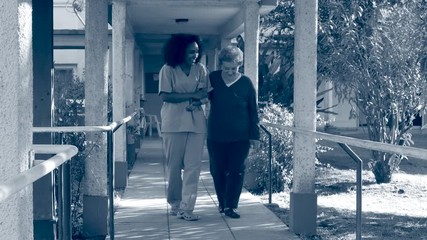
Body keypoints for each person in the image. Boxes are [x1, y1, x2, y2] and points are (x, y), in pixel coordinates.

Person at [158, 34, 209, 221]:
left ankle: (187, 208)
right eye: (190, 51)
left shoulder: (201, 69)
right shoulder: (168, 69)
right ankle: (175, 203)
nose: (194, 55)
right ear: (180, 51)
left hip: (197, 123)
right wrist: (193, 95)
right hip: (173, 123)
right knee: (173, 167)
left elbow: (205, 94)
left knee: (193, 168)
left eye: (196, 51)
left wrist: (197, 100)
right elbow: (165, 96)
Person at [207, 45, 260, 219]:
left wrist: (255, 136)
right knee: (218, 170)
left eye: (234, 68)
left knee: (237, 170)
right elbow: (200, 95)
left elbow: (253, 110)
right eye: (226, 68)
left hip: (240, 137)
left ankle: (230, 206)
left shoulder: (246, 83)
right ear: (221, 65)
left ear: (240, 65)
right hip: (216, 135)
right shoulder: (213, 78)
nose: (230, 72)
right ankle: (222, 203)